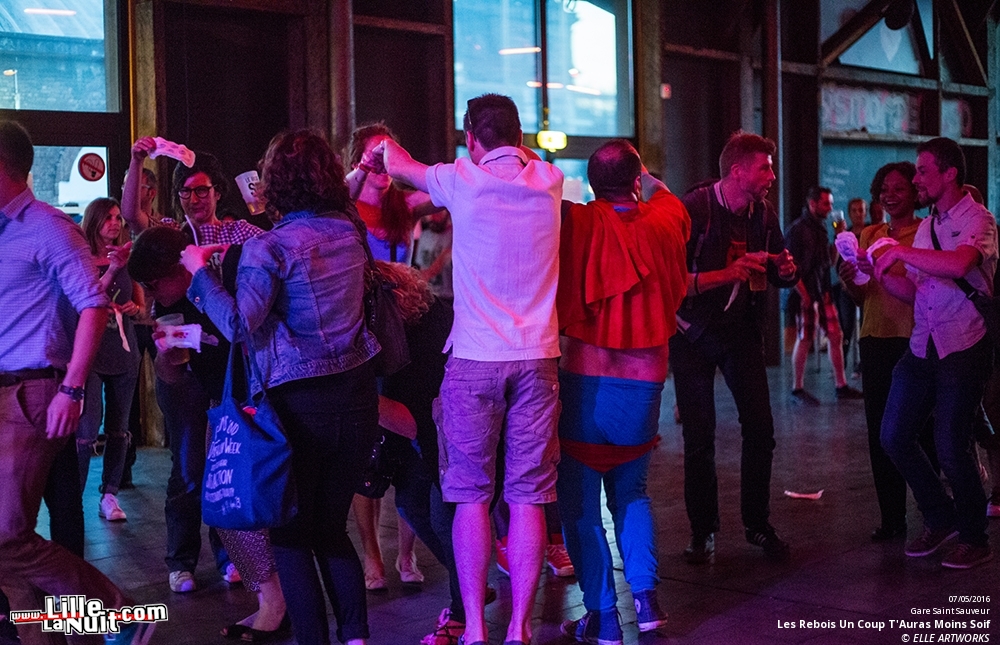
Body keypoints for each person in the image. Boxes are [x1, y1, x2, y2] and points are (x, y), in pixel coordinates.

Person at [183, 129, 380, 645]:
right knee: (331, 527)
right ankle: (355, 636)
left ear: (271, 184)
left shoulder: (268, 248)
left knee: (292, 534)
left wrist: (198, 275)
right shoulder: (348, 231)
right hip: (358, 396)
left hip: (300, 404)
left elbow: (240, 325)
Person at [381, 93, 563, 645]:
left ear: (470, 138)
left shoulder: (462, 178)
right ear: (522, 137)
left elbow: (393, 160)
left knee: (470, 495)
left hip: (475, 360)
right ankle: (520, 630)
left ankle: (477, 629)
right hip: (537, 357)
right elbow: (525, 159)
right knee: (529, 495)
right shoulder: (549, 179)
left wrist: (378, 154)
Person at [0, 120, 152, 645]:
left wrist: (71, 388)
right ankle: (47, 635)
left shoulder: (47, 227)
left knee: (7, 534)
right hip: (8, 391)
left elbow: (92, 305)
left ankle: (120, 615)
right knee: (7, 543)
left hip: (32, 390)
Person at [554, 140, 688, 644]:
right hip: (644, 384)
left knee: (581, 504)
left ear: (590, 185)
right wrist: (646, 180)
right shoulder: (666, 218)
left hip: (585, 382)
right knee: (632, 493)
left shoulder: (576, 222)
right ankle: (648, 601)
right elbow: (663, 193)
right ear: (635, 180)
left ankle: (604, 616)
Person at [128, 226, 289, 640]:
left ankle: (278, 603)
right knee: (223, 502)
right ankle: (272, 600)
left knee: (252, 506)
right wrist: (167, 357)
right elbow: (173, 376)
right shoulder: (170, 308)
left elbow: (246, 328)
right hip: (224, 409)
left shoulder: (223, 277)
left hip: (263, 402)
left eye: (152, 282)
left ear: (177, 267)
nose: (149, 292)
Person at [670, 131, 798, 564]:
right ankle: (702, 531)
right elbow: (666, 283)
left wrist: (786, 269)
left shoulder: (762, 214)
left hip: (740, 331)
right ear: (738, 170)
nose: (772, 176)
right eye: (764, 167)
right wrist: (727, 273)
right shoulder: (695, 209)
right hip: (690, 333)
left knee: (760, 429)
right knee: (699, 433)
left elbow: (779, 270)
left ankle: (757, 525)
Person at [874, 137, 996, 569]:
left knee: (950, 444)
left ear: (949, 174)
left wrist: (899, 250)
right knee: (893, 435)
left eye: (923, 171)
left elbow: (961, 264)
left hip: (964, 345)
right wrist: (879, 272)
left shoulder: (979, 220)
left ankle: (974, 535)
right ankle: (939, 516)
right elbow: (915, 290)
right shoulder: (927, 227)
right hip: (922, 345)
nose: (916, 178)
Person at [839, 162, 937, 542]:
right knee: (880, 432)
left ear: (914, 193)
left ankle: (934, 514)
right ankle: (892, 518)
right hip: (875, 338)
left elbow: (925, 287)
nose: (890, 194)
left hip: (914, 340)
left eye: (899, 188)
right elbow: (865, 294)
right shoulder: (868, 233)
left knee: (923, 432)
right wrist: (850, 281)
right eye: (885, 188)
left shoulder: (926, 233)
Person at [76, 198, 143, 522]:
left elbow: (143, 308)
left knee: (120, 428)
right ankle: (72, 497)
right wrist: (113, 268)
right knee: (86, 429)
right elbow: (87, 300)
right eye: (108, 218)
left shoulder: (128, 261)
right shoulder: (82, 259)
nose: (115, 223)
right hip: (91, 350)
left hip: (124, 348)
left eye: (118, 217)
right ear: (94, 221)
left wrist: (136, 310)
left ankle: (110, 494)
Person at [787, 186, 864, 404]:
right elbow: (790, 268)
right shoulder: (798, 230)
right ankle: (797, 388)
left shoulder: (821, 228)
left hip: (823, 292)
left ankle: (841, 385)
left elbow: (828, 262)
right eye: (826, 204)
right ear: (813, 204)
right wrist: (804, 295)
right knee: (805, 338)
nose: (831, 208)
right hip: (807, 293)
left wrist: (839, 239)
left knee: (836, 335)